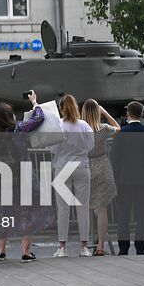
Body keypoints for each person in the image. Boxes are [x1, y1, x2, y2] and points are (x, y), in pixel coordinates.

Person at [0, 95, 55, 262]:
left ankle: (1, 251)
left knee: (4, 213)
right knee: (25, 213)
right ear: (10, 116)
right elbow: (38, 117)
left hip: (4, 180)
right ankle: (25, 252)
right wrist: (34, 102)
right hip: (23, 178)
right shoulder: (18, 129)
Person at [50, 94, 94, 258]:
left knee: (63, 208)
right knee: (83, 207)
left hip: (62, 167)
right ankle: (84, 247)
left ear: (61, 108)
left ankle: (62, 247)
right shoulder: (84, 125)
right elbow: (90, 146)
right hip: (81, 166)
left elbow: (52, 149)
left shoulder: (58, 126)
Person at [111, 100, 144, 255]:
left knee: (123, 215)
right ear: (142, 113)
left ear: (127, 114)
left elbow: (115, 157)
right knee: (142, 214)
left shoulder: (120, 133)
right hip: (143, 177)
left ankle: (123, 248)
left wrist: (116, 177)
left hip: (125, 178)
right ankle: (140, 247)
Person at [82, 99, 120, 256]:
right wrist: (105, 113)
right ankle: (100, 246)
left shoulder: (80, 129)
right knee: (102, 209)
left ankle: (84, 246)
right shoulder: (103, 128)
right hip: (103, 166)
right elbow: (118, 128)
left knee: (84, 209)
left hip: (85, 167)